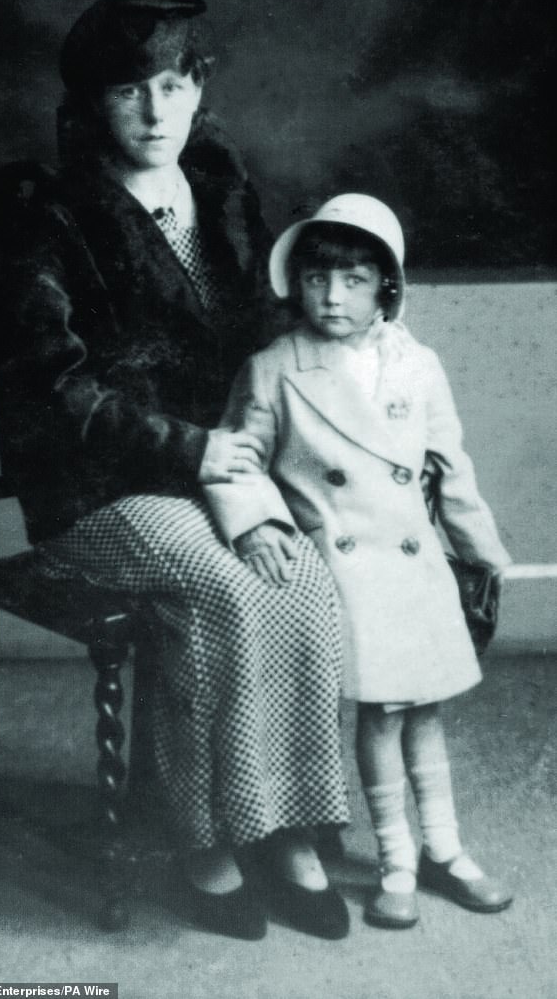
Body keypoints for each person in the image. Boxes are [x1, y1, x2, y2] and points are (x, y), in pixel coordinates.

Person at [0, 0, 351, 940]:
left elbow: (253, 340)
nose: (155, 114)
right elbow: (54, 388)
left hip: (213, 478)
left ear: (198, 88)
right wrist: (192, 447)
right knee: (223, 590)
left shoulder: (222, 193)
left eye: (171, 85)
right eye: (126, 93)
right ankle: (204, 839)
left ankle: (286, 823)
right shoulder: (51, 217)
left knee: (302, 574)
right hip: (93, 494)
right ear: (89, 108)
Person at [205, 193, 514, 929]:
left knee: (426, 710)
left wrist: (483, 551)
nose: (332, 296)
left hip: (415, 568)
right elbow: (233, 459)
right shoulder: (276, 367)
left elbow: (450, 465)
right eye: (317, 278)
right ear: (297, 284)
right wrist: (256, 523)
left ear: (386, 286)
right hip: (344, 569)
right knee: (380, 714)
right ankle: (397, 860)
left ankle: (445, 847)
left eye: (352, 279)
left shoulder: (419, 363)